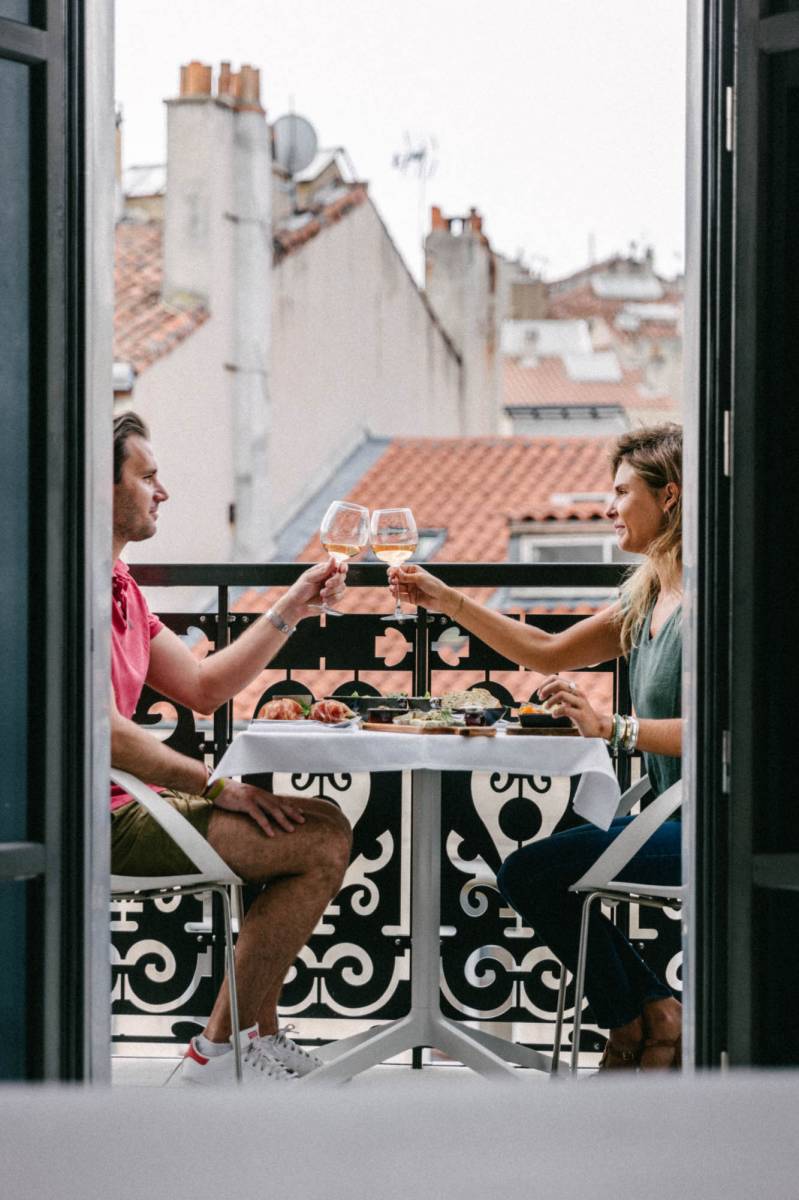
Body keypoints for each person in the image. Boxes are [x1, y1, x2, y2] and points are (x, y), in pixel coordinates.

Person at [390, 423, 683, 1071]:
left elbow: (722, 732)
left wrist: (611, 728)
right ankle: (650, 1016)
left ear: (668, 499)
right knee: (537, 871)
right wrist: (441, 597)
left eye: (620, 493)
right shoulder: (648, 599)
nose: (607, 508)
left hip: (707, 829)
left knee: (533, 872)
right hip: (664, 817)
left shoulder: (707, 604)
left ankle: (638, 1019)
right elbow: (545, 651)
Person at [111, 412, 353, 1085]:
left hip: (133, 801)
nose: (164, 491)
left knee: (320, 824)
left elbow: (204, 687)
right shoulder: (75, 589)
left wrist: (292, 606)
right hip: (97, 817)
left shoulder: (122, 588)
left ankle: (248, 1038)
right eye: (147, 476)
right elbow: (102, 731)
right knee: (318, 840)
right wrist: (219, 786)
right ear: (98, 489)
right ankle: (216, 1054)